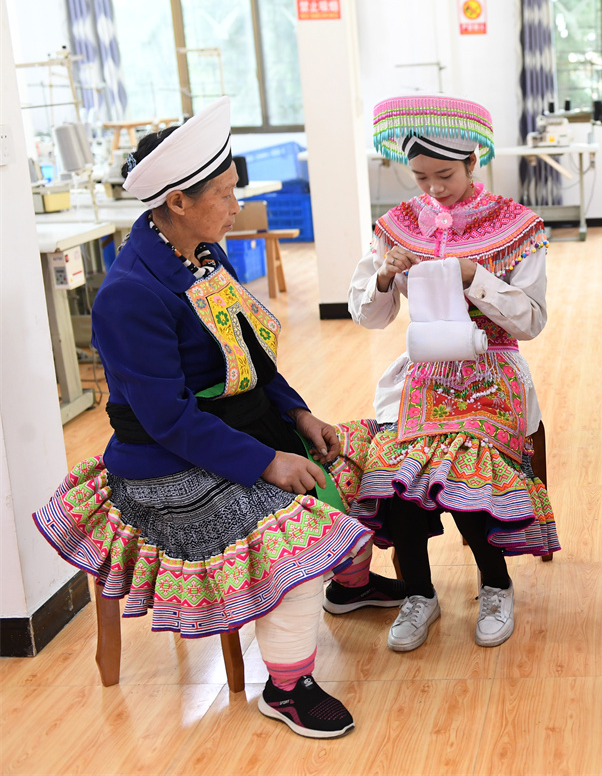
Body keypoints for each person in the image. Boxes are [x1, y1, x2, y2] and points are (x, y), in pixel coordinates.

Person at [33, 98, 372, 739]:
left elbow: (253, 359)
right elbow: (167, 419)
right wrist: (268, 459)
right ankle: (287, 687)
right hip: (166, 469)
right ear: (178, 204)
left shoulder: (206, 260)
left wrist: (298, 417)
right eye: (223, 194)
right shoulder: (131, 294)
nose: (235, 204)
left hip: (227, 432)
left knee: (355, 466)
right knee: (293, 543)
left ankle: (348, 589)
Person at [346, 94, 558, 653]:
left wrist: (474, 277)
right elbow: (370, 317)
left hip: (493, 366)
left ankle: (495, 585)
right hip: (422, 372)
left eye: (445, 175)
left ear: (473, 164)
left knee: (467, 466)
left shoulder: (517, 227)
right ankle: (419, 592)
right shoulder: (396, 227)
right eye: (420, 177)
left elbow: (531, 321)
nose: (433, 189)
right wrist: (386, 279)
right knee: (393, 474)